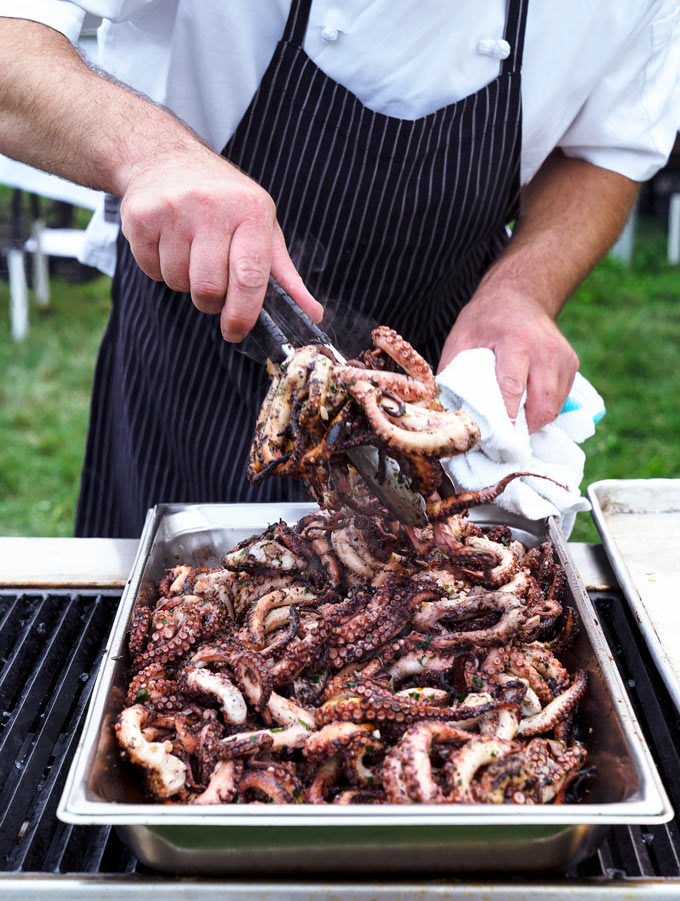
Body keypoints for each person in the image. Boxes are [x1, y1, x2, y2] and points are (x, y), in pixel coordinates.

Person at [0, 1, 678, 537]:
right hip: (189, 340)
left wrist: (525, 289)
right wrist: (154, 155)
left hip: (435, 368)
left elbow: (605, 150)